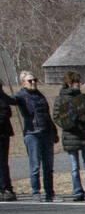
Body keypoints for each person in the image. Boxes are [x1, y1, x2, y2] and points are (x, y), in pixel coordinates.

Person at [55, 70, 85, 201]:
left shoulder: (84, 98)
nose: (78, 84)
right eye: (75, 82)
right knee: (74, 167)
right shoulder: (60, 99)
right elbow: (56, 117)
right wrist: (68, 123)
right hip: (71, 136)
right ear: (68, 83)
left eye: (78, 82)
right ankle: (78, 191)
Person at [14, 71, 57, 201]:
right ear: (23, 83)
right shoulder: (21, 95)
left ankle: (49, 193)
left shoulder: (40, 95)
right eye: (30, 81)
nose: (33, 83)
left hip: (46, 133)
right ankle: (36, 191)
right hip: (32, 134)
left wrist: (53, 131)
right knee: (35, 165)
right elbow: (12, 100)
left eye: (35, 80)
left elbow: (47, 115)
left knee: (48, 166)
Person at [0, 81, 14, 200]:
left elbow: (6, 112)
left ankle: (6, 189)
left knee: (2, 163)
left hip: (2, 134)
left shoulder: (1, 96)